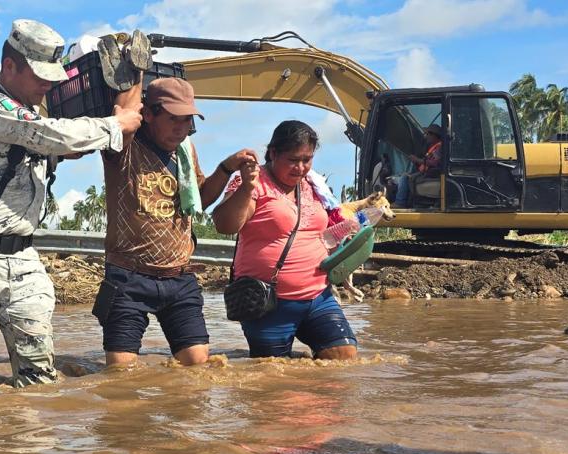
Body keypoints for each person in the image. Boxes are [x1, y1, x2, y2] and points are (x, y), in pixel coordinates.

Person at [0, 19, 143, 388]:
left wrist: (131, 85)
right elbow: (52, 134)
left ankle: (26, 442)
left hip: (21, 257)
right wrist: (116, 122)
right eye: (40, 75)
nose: (49, 84)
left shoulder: (33, 117)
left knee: (39, 372)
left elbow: (69, 147)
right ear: (9, 66)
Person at [94, 68, 258, 367]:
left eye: (187, 120)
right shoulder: (124, 146)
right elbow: (125, 116)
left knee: (196, 365)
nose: (182, 128)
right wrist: (134, 68)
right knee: (120, 370)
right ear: (150, 114)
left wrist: (226, 168)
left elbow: (199, 199)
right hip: (129, 276)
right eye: (174, 118)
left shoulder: (185, 149)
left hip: (179, 276)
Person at [212, 120, 358, 359]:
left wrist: (347, 233)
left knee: (343, 356)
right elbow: (224, 225)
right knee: (272, 377)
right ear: (273, 153)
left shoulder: (314, 185)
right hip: (267, 303)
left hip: (318, 297)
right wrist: (247, 189)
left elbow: (319, 230)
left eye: (307, 159)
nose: (300, 168)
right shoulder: (252, 183)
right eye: (293, 160)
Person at [393, 124, 443, 208]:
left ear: (435, 135)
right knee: (398, 178)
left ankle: (399, 203)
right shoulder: (434, 147)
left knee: (404, 178)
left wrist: (417, 160)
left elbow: (435, 163)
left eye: (428, 134)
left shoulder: (439, 148)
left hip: (430, 174)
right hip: (427, 173)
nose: (426, 136)